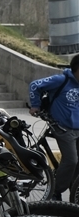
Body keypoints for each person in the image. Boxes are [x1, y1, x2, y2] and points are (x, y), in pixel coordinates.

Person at [29, 54, 79, 201]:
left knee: (77, 163)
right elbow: (34, 85)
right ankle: (55, 191)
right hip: (62, 127)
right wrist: (35, 105)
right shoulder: (61, 80)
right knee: (71, 161)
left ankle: (73, 191)